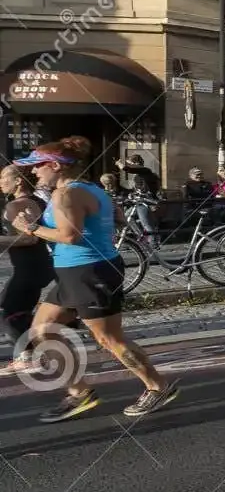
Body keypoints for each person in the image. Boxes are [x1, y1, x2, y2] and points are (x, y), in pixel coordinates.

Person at [12, 138, 180, 422]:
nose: (34, 172)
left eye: (38, 166)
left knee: (108, 338)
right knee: (41, 331)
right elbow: (117, 218)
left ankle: (158, 387)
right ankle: (80, 392)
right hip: (72, 272)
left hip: (91, 271)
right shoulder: (91, 188)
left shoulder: (66, 194)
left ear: (55, 165)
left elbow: (69, 236)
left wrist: (31, 227)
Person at [0, 164, 54, 363]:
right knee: (18, 311)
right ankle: (36, 350)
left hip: (29, 268)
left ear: (18, 181)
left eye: (3, 178)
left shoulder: (17, 204)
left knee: (8, 312)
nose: (0, 183)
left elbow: (30, 238)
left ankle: (29, 356)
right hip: (36, 266)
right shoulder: (35, 200)